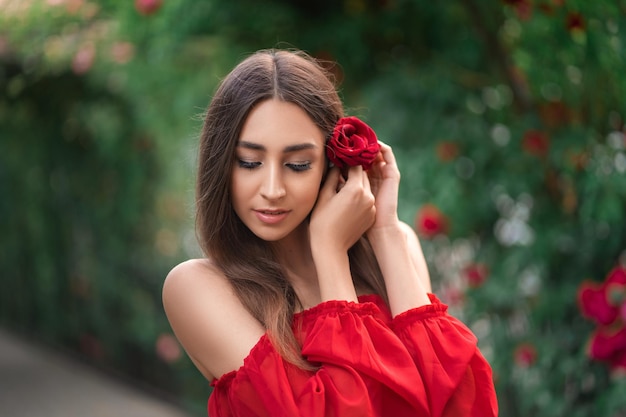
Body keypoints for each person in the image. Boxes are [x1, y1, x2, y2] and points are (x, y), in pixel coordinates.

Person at [162, 48, 498, 417]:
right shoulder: (199, 287)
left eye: (297, 164)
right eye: (249, 162)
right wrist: (330, 253)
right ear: (221, 162)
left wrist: (384, 232)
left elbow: (469, 407)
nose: (272, 188)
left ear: (330, 164)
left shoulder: (396, 247)